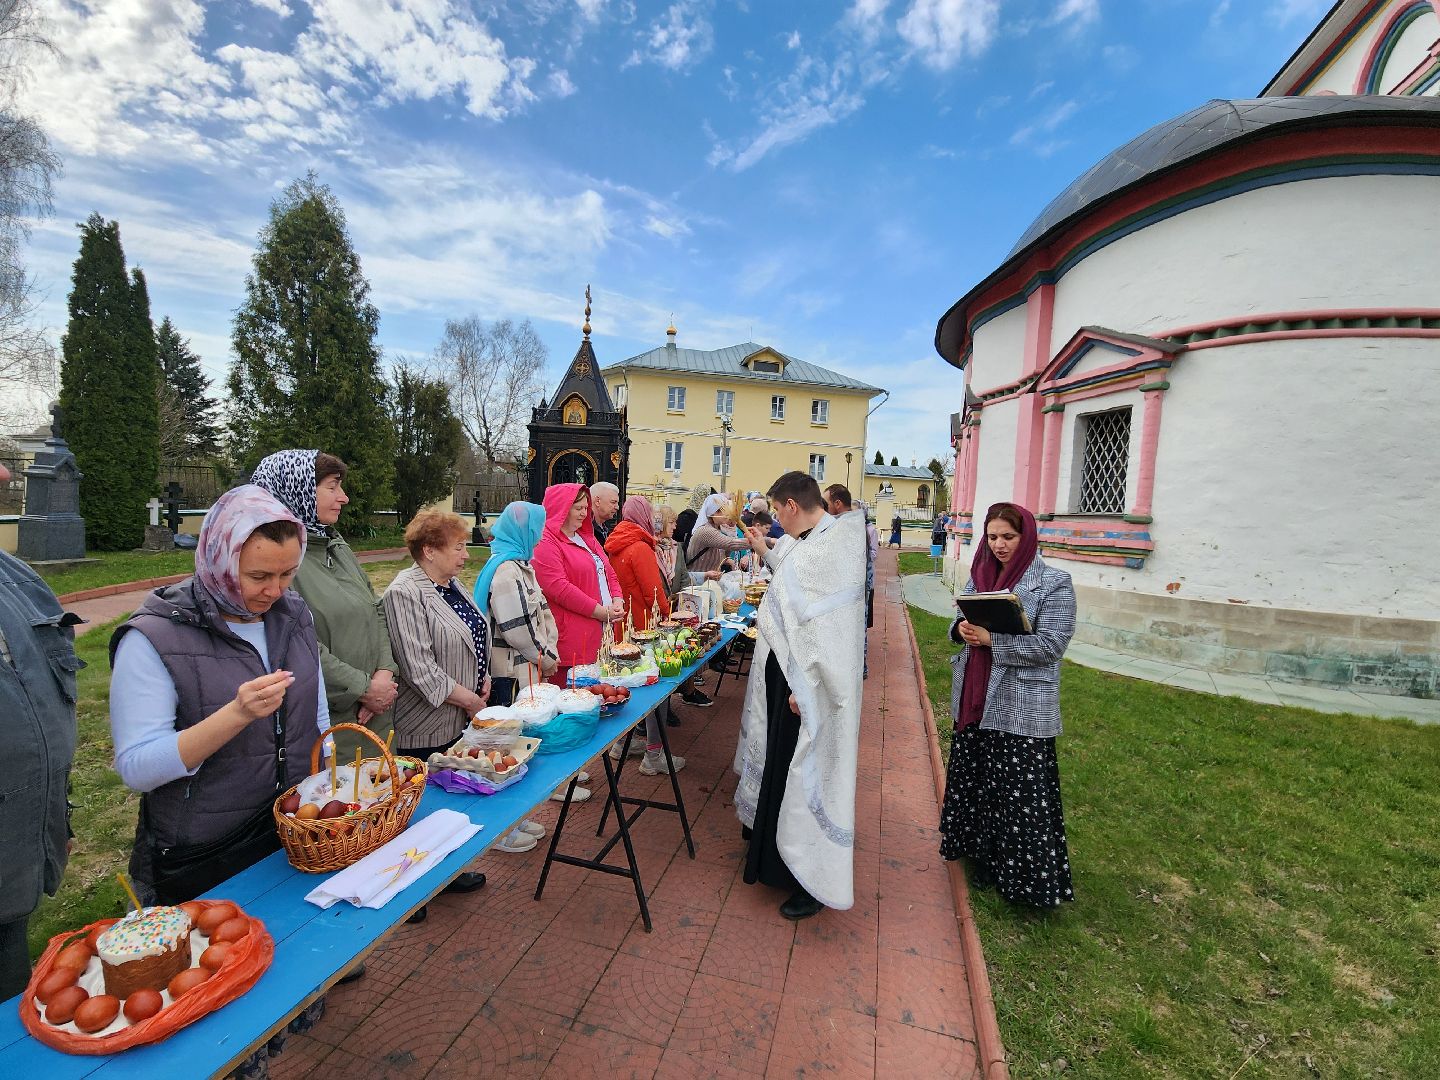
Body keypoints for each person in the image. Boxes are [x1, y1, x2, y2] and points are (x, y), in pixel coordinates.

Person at [734, 471, 865, 921]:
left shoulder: (833, 546)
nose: (775, 524)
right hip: (788, 678)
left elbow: (830, 631)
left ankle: (810, 878)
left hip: (807, 688)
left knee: (805, 773)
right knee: (781, 765)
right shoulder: (812, 540)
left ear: (791, 505)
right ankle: (776, 856)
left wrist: (803, 686)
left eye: (776, 512)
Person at [940, 502, 1076, 908]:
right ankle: (981, 855)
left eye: (1009, 537)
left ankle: (1023, 878)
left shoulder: (1053, 583)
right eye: (993, 536)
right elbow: (960, 619)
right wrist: (961, 629)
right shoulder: (980, 576)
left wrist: (993, 641)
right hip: (977, 697)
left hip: (1020, 704)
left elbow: (1051, 646)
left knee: (1017, 792)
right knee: (979, 780)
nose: (999, 545)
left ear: (1027, 537)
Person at [250, 449, 398, 763]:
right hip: (330, 728)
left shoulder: (336, 544)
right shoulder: (281, 563)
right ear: (297, 489)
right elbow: (296, 641)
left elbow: (376, 609)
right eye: (332, 487)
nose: (343, 498)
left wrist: (385, 674)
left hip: (377, 716)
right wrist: (363, 689)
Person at [0, 462, 79, 1001]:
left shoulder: (18, 580)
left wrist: (56, 811)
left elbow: (47, 708)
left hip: (15, 866)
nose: (6, 473)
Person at [381, 509, 491, 895]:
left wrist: (484, 677)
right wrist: (471, 701)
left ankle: (445, 872)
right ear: (429, 551)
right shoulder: (404, 592)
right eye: (458, 548)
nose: (465, 555)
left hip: (459, 712)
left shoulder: (450, 584)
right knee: (422, 808)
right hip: (427, 722)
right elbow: (419, 668)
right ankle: (412, 891)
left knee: (449, 805)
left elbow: (474, 634)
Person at [470, 501, 564, 847]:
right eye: (536, 528)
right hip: (511, 670)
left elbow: (542, 614)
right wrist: (543, 656)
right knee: (506, 745)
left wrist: (547, 651)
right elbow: (517, 628)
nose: (539, 535)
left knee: (518, 746)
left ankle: (517, 818)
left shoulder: (520, 566)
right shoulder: (506, 571)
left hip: (527, 666)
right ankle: (502, 830)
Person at [604, 497, 695, 771]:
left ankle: (621, 744)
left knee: (630, 684)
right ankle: (653, 755)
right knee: (657, 690)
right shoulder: (639, 547)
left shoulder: (616, 543)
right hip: (646, 625)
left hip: (625, 624)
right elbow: (653, 593)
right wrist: (671, 617)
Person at [532, 483, 624, 686]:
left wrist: (617, 599)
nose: (584, 513)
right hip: (571, 640)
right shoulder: (546, 541)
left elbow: (609, 573)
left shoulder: (586, 538)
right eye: (578, 508)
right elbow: (558, 587)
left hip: (599, 634)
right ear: (562, 508)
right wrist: (599, 611)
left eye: (586, 508)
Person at [686, 493, 743, 574]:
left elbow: (722, 555)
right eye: (724, 511)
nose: (727, 515)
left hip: (712, 580)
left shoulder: (718, 528)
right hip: (698, 582)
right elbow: (730, 544)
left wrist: (727, 560)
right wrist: (756, 541)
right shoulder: (706, 531)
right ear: (714, 513)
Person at [589, 480, 621, 548]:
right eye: (613, 502)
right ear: (597, 501)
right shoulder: (583, 530)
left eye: (617, 503)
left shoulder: (604, 530)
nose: (617, 507)